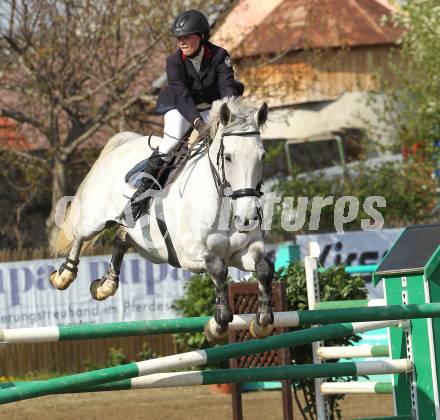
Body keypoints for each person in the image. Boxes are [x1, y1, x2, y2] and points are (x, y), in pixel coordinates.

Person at [119, 9, 244, 225]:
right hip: (182, 106)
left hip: (213, 105)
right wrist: (197, 122)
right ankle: (139, 197)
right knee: (170, 143)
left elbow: (226, 89)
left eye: (186, 37)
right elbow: (182, 95)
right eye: (179, 38)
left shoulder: (220, 55)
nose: (181, 42)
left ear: (202, 36)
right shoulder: (173, 61)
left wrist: (228, 117)